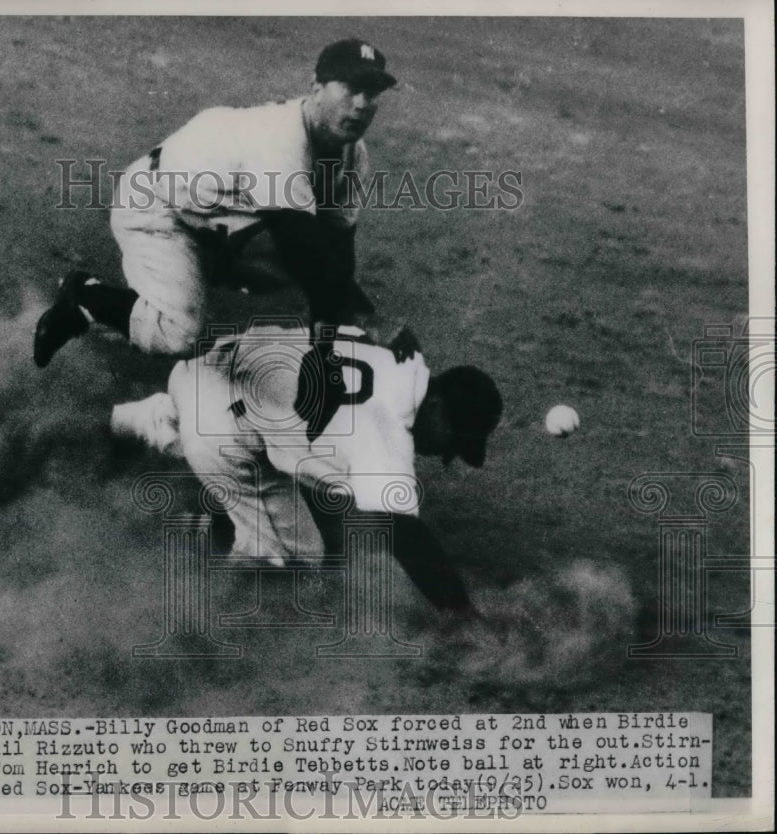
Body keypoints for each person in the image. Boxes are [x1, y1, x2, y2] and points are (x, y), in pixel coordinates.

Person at [33, 38, 410, 367]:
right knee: (179, 334)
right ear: (315, 86)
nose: (361, 104)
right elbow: (308, 256)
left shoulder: (352, 155)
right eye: (350, 88)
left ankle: (201, 272)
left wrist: (344, 333)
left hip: (213, 214)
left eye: (372, 93)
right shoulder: (279, 139)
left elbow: (339, 254)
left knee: (314, 262)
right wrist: (356, 328)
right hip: (156, 208)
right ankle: (85, 296)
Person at [106, 321, 503, 616]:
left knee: (306, 482)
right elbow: (403, 533)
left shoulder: (385, 355)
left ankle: (117, 425)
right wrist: (463, 614)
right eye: (452, 441)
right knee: (295, 559)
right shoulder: (388, 433)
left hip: (213, 368)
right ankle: (191, 616)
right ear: (436, 407)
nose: (444, 454)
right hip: (221, 428)